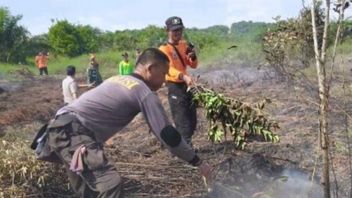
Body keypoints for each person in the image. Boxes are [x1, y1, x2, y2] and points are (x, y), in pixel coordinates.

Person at [33, 48, 211, 197]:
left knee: (90, 191)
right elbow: (167, 135)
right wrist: (198, 162)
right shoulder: (143, 91)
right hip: (75, 132)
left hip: (58, 128)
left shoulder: (117, 78)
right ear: (151, 68)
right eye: (163, 73)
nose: (165, 80)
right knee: (110, 184)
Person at [159, 16, 198, 146]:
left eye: (179, 30)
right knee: (182, 122)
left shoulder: (183, 44)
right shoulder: (164, 49)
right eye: (174, 31)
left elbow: (193, 65)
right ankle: (187, 154)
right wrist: (183, 76)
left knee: (192, 120)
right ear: (167, 31)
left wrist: (193, 56)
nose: (178, 33)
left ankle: (185, 146)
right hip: (175, 86)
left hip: (186, 85)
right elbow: (168, 69)